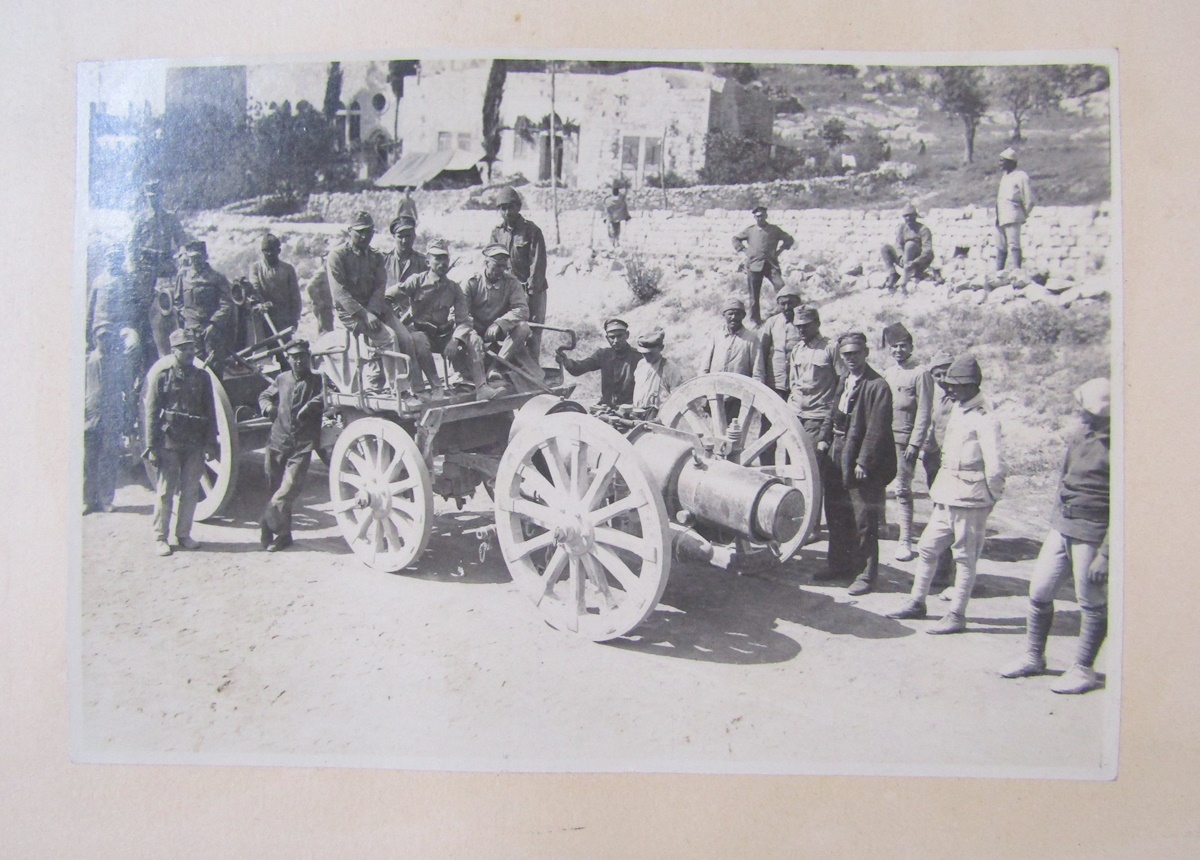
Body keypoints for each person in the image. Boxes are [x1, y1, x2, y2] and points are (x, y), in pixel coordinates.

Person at [999, 378, 1110, 694]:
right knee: (1039, 591)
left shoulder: (1121, 448)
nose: (1080, 413)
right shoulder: (1079, 438)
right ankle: (1034, 655)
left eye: (1085, 408)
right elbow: (1064, 480)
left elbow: (1124, 510)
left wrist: (1105, 554)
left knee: (1090, 602)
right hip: (1062, 527)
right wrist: (1057, 524)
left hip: (1093, 535)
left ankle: (1083, 669)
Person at [888, 355, 1006, 633]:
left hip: (970, 497)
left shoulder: (986, 419)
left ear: (972, 385)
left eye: (955, 385)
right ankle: (917, 602)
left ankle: (956, 615)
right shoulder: (959, 409)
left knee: (964, 558)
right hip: (947, 493)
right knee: (928, 548)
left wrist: (989, 498)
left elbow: (997, 466)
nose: (948, 389)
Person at [817, 332, 896, 595]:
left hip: (860, 457)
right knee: (837, 512)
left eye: (855, 353)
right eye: (846, 354)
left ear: (866, 353)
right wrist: (823, 439)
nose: (851, 359)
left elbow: (877, 429)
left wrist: (864, 462)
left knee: (864, 518)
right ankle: (839, 566)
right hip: (837, 452)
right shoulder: (844, 379)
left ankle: (865, 574)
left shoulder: (878, 386)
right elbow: (832, 412)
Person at [327, 210, 419, 403]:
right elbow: (340, 293)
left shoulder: (375, 256)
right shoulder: (338, 256)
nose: (364, 236)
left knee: (406, 338)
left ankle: (415, 387)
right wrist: (365, 314)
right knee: (389, 338)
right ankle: (398, 391)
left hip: (376, 309)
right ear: (349, 231)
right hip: (352, 314)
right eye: (359, 232)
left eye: (368, 232)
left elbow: (380, 285)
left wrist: (374, 311)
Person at [142, 329, 216, 557]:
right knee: (165, 491)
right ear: (174, 350)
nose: (189, 352)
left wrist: (210, 443)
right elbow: (152, 414)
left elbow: (210, 411)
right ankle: (160, 537)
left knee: (191, 490)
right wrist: (152, 447)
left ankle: (183, 534)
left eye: (191, 347)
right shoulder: (163, 376)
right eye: (183, 348)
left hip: (194, 442)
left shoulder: (202, 377)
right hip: (170, 442)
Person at [389, 240, 489, 398]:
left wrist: (455, 340)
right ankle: (436, 386)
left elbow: (464, 320)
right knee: (418, 338)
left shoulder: (454, 288)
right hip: (421, 334)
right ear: (428, 262)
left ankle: (481, 387)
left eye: (445, 258)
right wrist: (391, 321)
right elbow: (388, 297)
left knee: (473, 338)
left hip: (443, 336)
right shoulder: (416, 281)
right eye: (437, 258)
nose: (442, 263)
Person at [257, 339, 324, 552]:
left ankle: (264, 524)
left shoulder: (318, 380)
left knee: (285, 492)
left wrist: (312, 405)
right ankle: (284, 535)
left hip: (302, 446)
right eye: (294, 357)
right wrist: (267, 407)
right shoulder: (282, 378)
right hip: (277, 442)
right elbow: (265, 395)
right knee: (274, 490)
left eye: (302, 356)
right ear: (288, 358)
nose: (298, 361)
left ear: (309, 357)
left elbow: (328, 396)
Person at [881, 323, 934, 562]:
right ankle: (881, 528)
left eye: (903, 346)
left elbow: (924, 411)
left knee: (902, 490)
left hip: (905, 441)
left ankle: (905, 540)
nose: (899, 351)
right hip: (885, 438)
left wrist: (915, 443)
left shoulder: (920, 373)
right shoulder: (888, 373)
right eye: (894, 347)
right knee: (878, 485)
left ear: (911, 347)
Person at [128, 179, 189, 363]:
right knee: (140, 310)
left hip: (166, 269)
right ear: (146, 198)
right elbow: (131, 246)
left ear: (161, 197)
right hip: (145, 269)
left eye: (156, 197)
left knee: (173, 306)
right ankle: (145, 353)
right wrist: (134, 266)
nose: (153, 201)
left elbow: (182, 242)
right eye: (149, 197)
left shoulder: (170, 218)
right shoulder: (141, 219)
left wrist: (182, 257)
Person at [462, 244, 538, 383]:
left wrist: (500, 323)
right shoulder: (471, 282)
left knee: (523, 328)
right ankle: (472, 371)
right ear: (486, 263)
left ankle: (496, 366)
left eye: (504, 266)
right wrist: (473, 331)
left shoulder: (511, 282)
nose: (501, 270)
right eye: (497, 266)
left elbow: (522, 309)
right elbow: (462, 313)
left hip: (499, 331)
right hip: (475, 330)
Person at [490, 186, 548, 357]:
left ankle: (533, 373)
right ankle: (508, 369)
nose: (507, 212)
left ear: (518, 207)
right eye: (503, 208)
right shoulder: (497, 233)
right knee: (508, 329)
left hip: (531, 289)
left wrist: (530, 291)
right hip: (507, 290)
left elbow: (537, 264)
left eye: (511, 207)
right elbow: (492, 261)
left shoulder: (531, 231)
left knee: (532, 332)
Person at [169, 240, 234, 380]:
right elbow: (177, 302)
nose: (195, 261)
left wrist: (214, 324)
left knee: (215, 368)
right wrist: (187, 318)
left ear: (205, 256)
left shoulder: (217, 278)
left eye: (198, 257)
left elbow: (227, 304)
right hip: (191, 332)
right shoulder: (183, 277)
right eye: (192, 258)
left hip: (212, 332)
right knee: (192, 367)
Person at [921, 349, 956, 589]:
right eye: (937, 374)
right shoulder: (932, 394)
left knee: (953, 518)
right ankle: (942, 568)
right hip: (934, 459)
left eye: (946, 373)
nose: (942, 379)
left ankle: (949, 572)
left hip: (954, 463)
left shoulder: (962, 397)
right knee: (939, 514)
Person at [556, 318, 642, 410]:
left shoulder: (638, 357)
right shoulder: (603, 355)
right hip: (606, 408)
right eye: (612, 337)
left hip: (629, 409)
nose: (616, 340)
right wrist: (566, 361)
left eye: (619, 336)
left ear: (627, 335)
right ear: (607, 338)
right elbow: (580, 368)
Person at [731, 205, 795, 325]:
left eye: (762, 216)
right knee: (754, 295)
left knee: (782, 288)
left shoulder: (774, 230)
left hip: (771, 265)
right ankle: (755, 320)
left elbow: (789, 239)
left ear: (766, 216)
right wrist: (744, 251)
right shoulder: (750, 230)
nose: (760, 218)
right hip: (754, 266)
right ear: (754, 217)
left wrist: (780, 251)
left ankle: (787, 314)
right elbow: (735, 239)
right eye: (757, 216)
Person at [700, 297, 767, 385]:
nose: (734, 317)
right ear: (724, 315)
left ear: (743, 316)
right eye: (730, 314)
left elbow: (758, 373)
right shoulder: (716, 337)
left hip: (739, 394)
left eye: (738, 314)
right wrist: (702, 388)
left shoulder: (752, 339)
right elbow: (704, 367)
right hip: (715, 392)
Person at [248, 233, 302, 337]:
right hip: (265, 318)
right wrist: (260, 304)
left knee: (285, 348)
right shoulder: (256, 268)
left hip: (284, 319)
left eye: (272, 250)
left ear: (278, 251)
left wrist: (295, 318)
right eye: (265, 250)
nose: (269, 253)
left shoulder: (288, 269)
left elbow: (295, 296)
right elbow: (255, 288)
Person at [630, 327, 689, 418]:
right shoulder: (641, 364)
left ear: (661, 348)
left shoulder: (670, 368)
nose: (646, 357)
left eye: (650, 353)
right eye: (643, 353)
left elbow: (677, 399)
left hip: (659, 417)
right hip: (637, 413)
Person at [760, 285, 803, 400]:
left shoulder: (804, 323)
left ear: (798, 303)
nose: (787, 307)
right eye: (783, 304)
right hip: (775, 382)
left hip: (798, 382)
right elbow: (762, 352)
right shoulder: (772, 322)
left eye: (790, 303)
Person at [995, 147, 1035, 270]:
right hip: (1001, 216)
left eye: (1003, 161)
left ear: (1011, 162)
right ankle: (998, 272)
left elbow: (1030, 199)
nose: (1000, 163)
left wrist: (1023, 215)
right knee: (1000, 246)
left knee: (1013, 245)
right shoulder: (1005, 177)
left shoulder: (1021, 176)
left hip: (1013, 215)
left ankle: (1016, 270)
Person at [880, 202, 935, 291]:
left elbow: (927, 251)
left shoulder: (923, 229)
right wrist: (901, 256)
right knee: (885, 248)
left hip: (918, 261)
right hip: (905, 260)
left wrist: (915, 262)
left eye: (910, 216)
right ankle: (893, 274)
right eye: (906, 216)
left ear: (915, 216)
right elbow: (898, 244)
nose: (908, 218)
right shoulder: (902, 228)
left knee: (910, 244)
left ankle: (905, 281)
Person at [383, 214, 428, 288]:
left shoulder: (423, 262)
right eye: (400, 237)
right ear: (394, 237)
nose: (404, 241)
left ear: (414, 236)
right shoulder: (383, 260)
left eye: (408, 236)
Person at [306, 255, 335, 335]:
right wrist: (319, 301)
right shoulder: (321, 272)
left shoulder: (328, 272)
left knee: (328, 328)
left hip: (326, 305)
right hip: (322, 307)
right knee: (325, 330)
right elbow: (310, 286)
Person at [603, 182, 631, 248]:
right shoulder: (620, 199)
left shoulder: (608, 200)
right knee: (617, 230)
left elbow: (606, 207)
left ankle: (612, 243)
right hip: (618, 217)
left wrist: (605, 217)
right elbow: (624, 206)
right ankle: (616, 241)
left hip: (610, 217)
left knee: (611, 230)